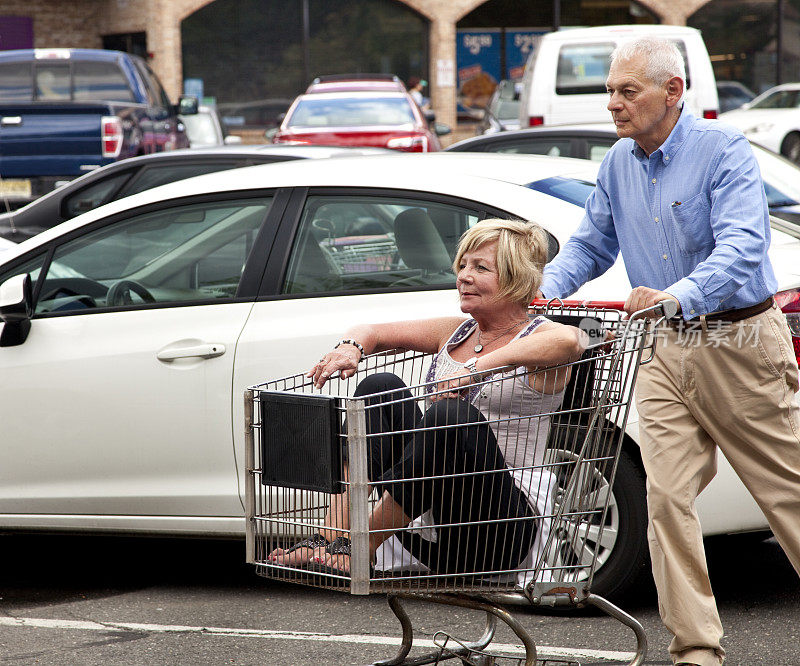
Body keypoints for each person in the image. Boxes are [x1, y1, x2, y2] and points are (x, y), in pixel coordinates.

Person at [538, 36, 800, 666]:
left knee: (788, 495)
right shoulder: (617, 163)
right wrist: (537, 292)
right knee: (665, 497)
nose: (613, 105)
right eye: (610, 91)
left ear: (672, 91)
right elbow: (588, 246)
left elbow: (740, 248)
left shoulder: (723, 151)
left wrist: (676, 296)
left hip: (739, 344)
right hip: (662, 349)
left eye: (627, 91)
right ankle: (696, 650)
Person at [268, 219, 585, 578]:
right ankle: (332, 537)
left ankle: (364, 544)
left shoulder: (539, 337)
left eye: (480, 267)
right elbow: (370, 330)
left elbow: (571, 342)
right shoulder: (456, 331)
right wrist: (350, 347)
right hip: (435, 520)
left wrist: (477, 367)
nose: (464, 276)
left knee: (450, 414)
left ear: (516, 279)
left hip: (501, 527)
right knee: (380, 387)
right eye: (462, 265)